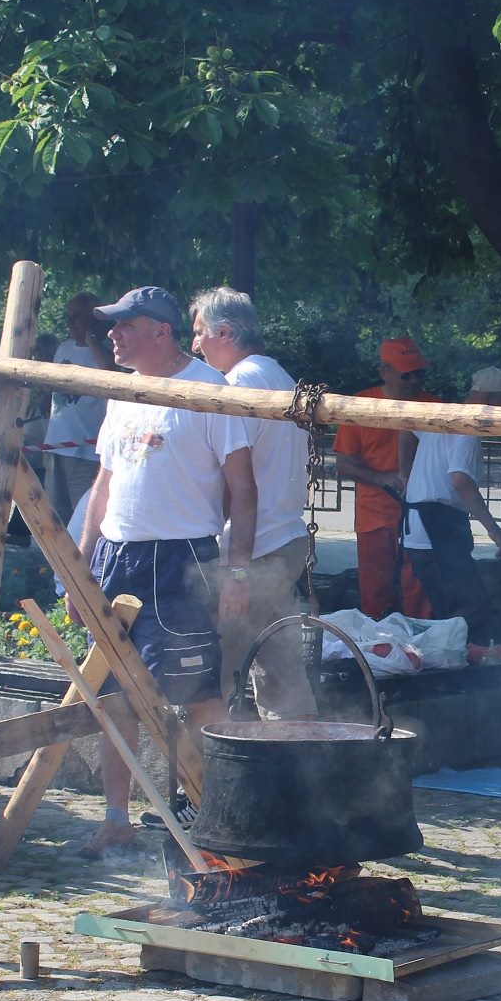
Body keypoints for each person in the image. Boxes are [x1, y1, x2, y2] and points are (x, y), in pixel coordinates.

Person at [75, 286, 256, 856]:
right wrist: (83, 565)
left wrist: (237, 573)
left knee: (196, 692)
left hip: (182, 561)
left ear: (161, 331)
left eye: (124, 325)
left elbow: (243, 490)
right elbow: (104, 484)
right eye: (112, 326)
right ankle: (115, 819)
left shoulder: (210, 392)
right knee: (112, 694)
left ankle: (214, 816)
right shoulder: (122, 391)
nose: (112, 335)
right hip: (117, 556)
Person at [190, 285, 316, 718]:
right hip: (282, 539)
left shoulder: (239, 383)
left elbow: (236, 480)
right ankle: (299, 753)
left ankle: (211, 755)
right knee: (282, 671)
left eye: (200, 332)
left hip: (254, 548)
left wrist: (236, 568)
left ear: (224, 332)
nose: (195, 345)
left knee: (217, 669)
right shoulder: (279, 375)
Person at [399, 367, 501, 636]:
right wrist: (494, 530)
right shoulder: (468, 427)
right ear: (490, 398)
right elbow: (460, 481)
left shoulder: (443, 415)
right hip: (436, 527)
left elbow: (406, 428)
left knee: (448, 613)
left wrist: (404, 474)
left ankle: (454, 655)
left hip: (421, 529)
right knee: (468, 615)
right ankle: (469, 659)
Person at [333, 338, 434, 619]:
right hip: (374, 516)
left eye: (420, 373)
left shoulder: (435, 406)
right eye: (407, 374)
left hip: (422, 516)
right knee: (375, 595)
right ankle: (378, 643)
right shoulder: (359, 406)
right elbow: (344, 464)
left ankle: (419, 641)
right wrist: (384, 478)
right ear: (384, 372)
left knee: (420, 595)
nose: (415, 380)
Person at [43, 292, 111, 531]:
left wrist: (91, 340)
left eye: (76, 317)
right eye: (68, 317)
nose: (70, 323)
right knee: (54, 514)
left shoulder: (106, 351)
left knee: (82, 515)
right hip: (56, 443)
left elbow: (110, 373)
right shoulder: (63, 348)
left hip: (85, 450)